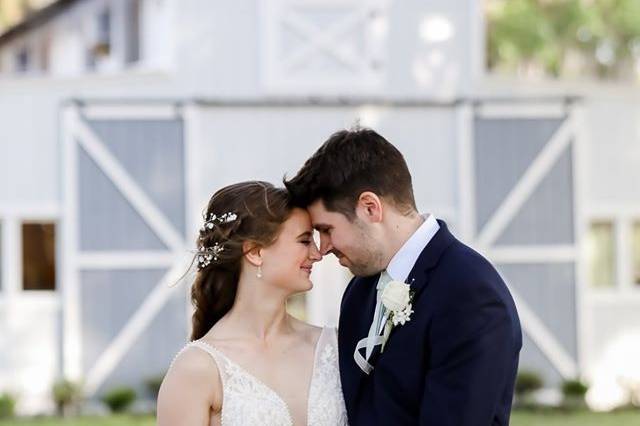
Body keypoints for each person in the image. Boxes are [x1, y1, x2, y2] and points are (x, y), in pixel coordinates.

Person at [284, 128, 522, 425]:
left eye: (326, 229)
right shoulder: (359, 291)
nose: (324, 247)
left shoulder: (471, 295)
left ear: (370, 208)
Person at [157, 181, 348, 426]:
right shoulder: (198, 368)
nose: (317, 254)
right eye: (304, 241)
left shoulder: (333, 347)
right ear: (255, 252)